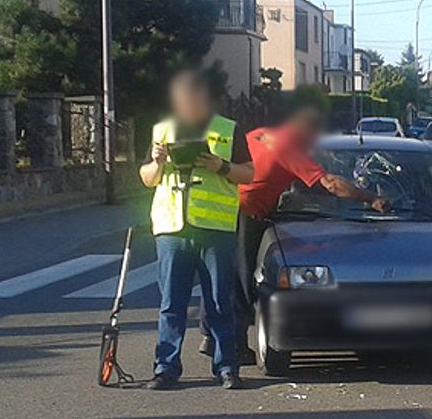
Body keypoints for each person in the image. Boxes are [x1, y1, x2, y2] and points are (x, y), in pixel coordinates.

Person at [200, 101, 389, 361]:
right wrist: (371, 198)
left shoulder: (259, 134)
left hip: (221, 208)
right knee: (241, 280)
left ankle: (209, 336)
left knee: (219, 274)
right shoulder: (290, 149)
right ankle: (233, 346)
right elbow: (331, 184)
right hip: (246, 213)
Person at [138, 70, 255, 390]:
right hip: (172, 229)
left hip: (215, 230)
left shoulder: (228, 130)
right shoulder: (162, 130)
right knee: (171, 304)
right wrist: (157, 162)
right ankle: (166, 368)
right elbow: (146, 178)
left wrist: (221, 166)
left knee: (219, 302)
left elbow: (249, 174)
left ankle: (226, 367)